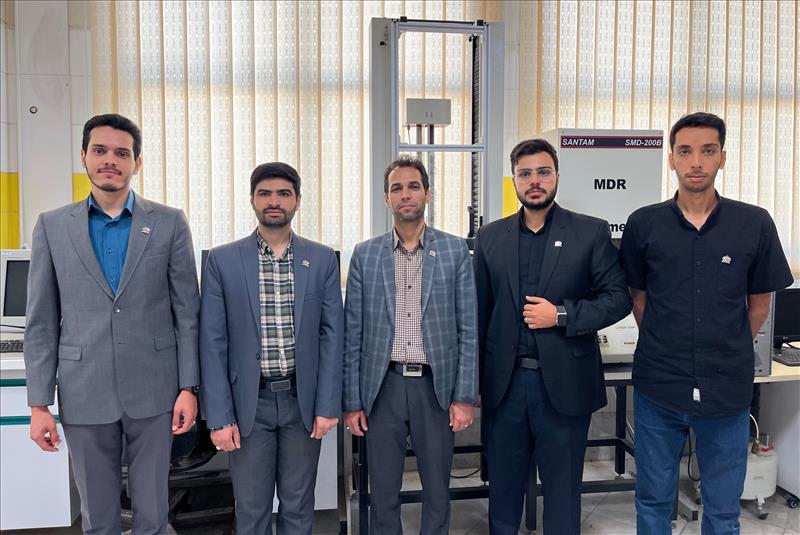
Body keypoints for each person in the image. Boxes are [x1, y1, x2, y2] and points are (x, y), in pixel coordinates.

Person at [24, 113, 200, 534]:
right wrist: (38, 404)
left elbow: (187, 314)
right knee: (98, 517)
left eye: (122, 153)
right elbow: (41, 322)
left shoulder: (169, 222)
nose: (110, 160)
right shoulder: (52, 226)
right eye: (100, 150)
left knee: (153, 515)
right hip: (84, 389)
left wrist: (189, 387)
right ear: (83, 156)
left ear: (136, 163)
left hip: (155, 389)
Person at [619, 112, 793, 535]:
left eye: (707, 150)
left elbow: (759, 305)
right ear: (671, 159)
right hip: (660, 386)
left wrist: (727, 347)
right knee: (653, 501)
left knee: (723, 509)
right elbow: (638, 298)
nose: (696, 161)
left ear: (722, 158)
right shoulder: (644, 223)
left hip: (726, 390)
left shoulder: (754, 223)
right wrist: (667, 342)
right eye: (685, 151)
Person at [474, 138, 631, 534]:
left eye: (543, 172)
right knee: (503, 492)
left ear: (556, 176)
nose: (535, 181)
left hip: (563, 386)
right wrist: (472, 384)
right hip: (505, 387)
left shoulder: (589, 232)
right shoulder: (490, 237)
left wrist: (561, 314)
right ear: (514, 180)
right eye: (525, 173)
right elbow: (479, 314)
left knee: (562, 494)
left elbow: (618, 299)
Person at [199, 162, 343, 534]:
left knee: (299, 507)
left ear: (297, 200)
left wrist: (328, 404)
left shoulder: (322, 259)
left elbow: (332, 335)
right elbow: (212, 342)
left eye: (283, 193)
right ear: (252, 200)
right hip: (249, 404)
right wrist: (219, 416)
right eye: (265, 193)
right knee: (251, 510)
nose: (274, 201)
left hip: (301, 402)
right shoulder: (223, 261)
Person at [342, 156, 478, 534]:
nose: (405, 194)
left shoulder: (454, 251)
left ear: (427, 194)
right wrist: (352, 402)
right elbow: (353, 333)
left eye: (413, 186)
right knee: (383, 491)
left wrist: (464, 397)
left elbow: (469, 329)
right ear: (386, 198)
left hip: (435, 388)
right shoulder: (366, 254)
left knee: (437, 490)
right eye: (397, 188)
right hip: (382, 386)